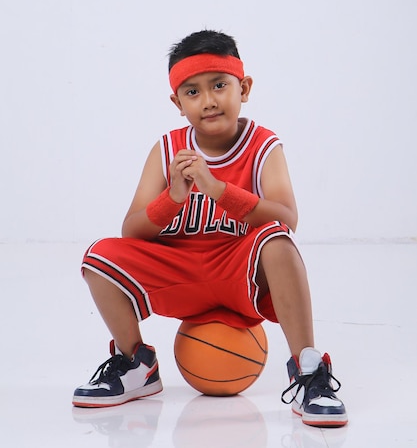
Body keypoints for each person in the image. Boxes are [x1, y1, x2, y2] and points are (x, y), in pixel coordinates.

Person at [73, 30, 347, 427]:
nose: (209, 100)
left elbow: (286, 216)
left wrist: (219, 190)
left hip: (238, 272)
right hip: (180, 272)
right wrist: (173, 197)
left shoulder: (263, 146)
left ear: (244, 88)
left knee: (278, 240)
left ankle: (308, 371)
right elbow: (131, 230)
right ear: (177, 103)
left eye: (220, 85)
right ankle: (136, 365)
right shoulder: (168, 149)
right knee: (100, 256)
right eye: (193, 92)